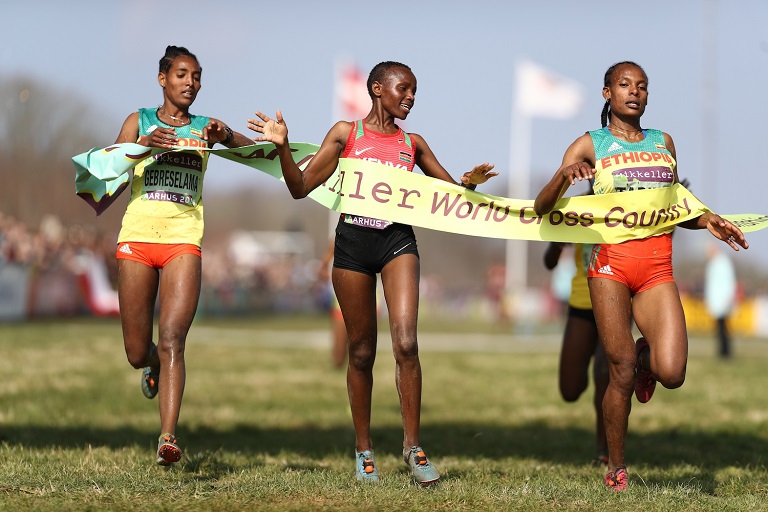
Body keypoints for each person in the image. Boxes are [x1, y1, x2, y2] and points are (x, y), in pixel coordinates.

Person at [247, 61, 497, 485]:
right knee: (361, 352)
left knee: (406, 343)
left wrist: (469, 185)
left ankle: (413, 448)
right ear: (378, 89)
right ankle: (364, 450)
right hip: (352, 248)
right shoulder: (347, 134)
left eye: (415, 91)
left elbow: (452, 197)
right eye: (404, 89)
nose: (411, 97)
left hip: (397, 243)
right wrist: (282, 147)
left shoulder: (413, 143)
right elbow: (299, 187)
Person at [533, 61, 748, 491]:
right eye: (624, 85)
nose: (634, 92)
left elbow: (676, 207)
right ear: (606, 93)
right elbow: (542, 209)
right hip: (609, 264)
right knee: (621, 370)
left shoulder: (663, 142)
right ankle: (615, 465)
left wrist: (708, 220)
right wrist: (563, 177)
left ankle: (646, 357)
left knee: (672, 372)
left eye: (642, 86)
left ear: (648, 96)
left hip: (656, 267)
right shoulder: (588, 144)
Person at [112, 45, 251, 466]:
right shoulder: (139, 120)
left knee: (173, 337)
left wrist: (227, 136)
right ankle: (150, 365)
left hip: (183, 239)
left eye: (197, 76)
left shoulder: (207, 127)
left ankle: (168, 437)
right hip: (137, 238)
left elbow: (254, 155)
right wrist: (141, 144)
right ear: (162, 79)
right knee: (138, 351)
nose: (191, 83)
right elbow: (108, 169)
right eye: (182, 75)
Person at [543, 239, 609, 466]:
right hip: (582, 302)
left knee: (604, 373)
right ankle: (630, 367)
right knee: (569, 390)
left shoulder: (628, 206)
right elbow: (549, 262)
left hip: (618, 300)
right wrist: (556, 243)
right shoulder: (579, 211)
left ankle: (604, 451)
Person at [318, 238, 348, 368]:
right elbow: (322, 271)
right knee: (338, 357)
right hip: (341, 300)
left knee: (362, 349)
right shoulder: (334, 246)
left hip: (369, 298)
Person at [704, 243, 737, 358]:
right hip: (717, 301)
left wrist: (726, 299)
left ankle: (725, 352)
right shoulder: (713, 263)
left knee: (723, 328)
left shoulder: (722, 262)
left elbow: (728, 282)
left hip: (722, 300)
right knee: (720, 327)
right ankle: (722, 351)